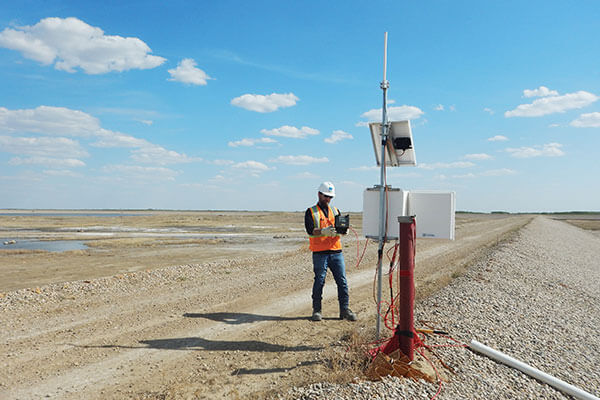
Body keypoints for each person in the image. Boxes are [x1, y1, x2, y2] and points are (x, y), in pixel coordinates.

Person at [304, 181, 357, 322]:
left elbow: (341, 227)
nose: (328, 199)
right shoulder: (311, 212)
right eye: (326, 196)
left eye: (330, 197)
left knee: (342, 281)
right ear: (319, 194)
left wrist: (341, 232)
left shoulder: (335, 210)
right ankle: (317, 310)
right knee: (319, 281)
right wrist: (323, 231)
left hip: (336, 251)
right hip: (320, 252)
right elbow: (310, 230)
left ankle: (344, 310)